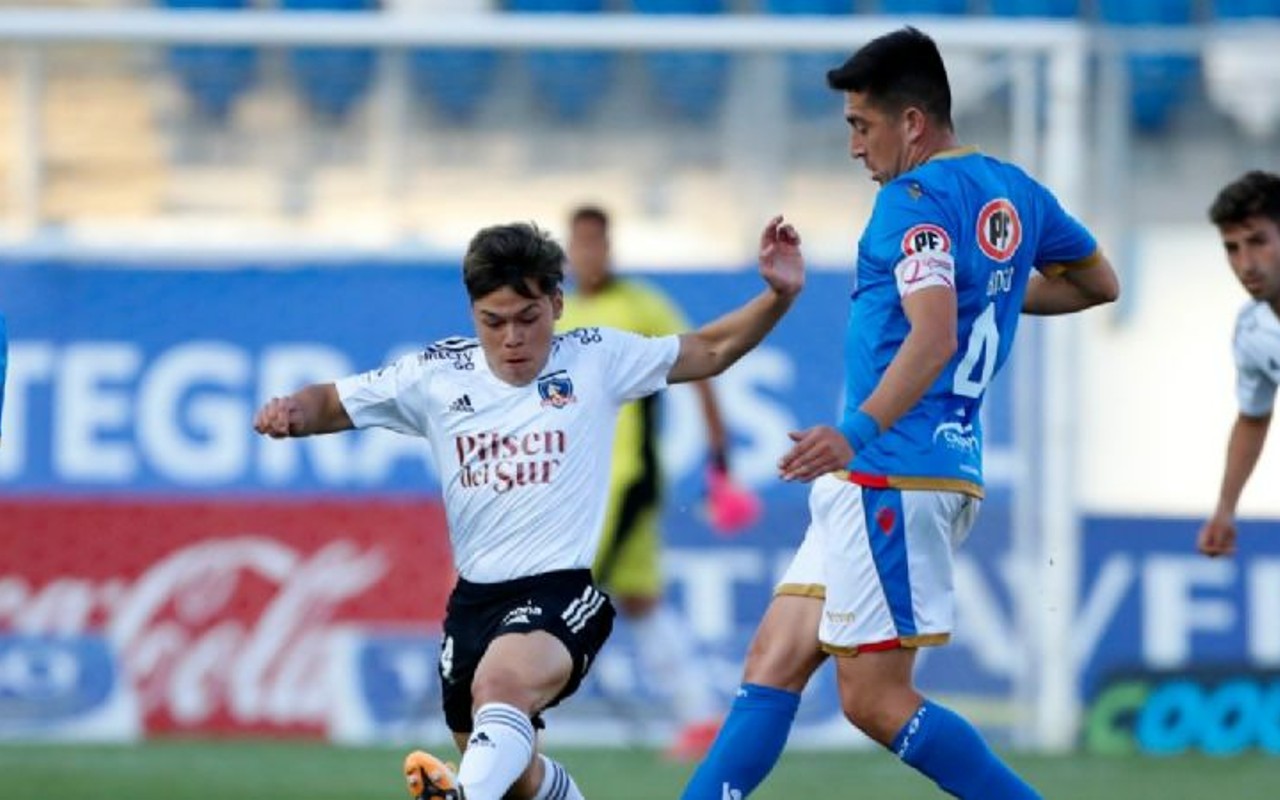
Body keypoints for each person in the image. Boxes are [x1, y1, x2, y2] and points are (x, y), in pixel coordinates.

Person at [679, 27, 1119, 800]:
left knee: (876, 702)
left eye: (861, 124)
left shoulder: (906, 203)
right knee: (774, 660)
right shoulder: (1015, 190)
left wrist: (855, 430)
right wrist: (1001, 289)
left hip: (890, 473)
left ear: (911, 122)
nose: (853, 145)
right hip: (923, 469)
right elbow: (1096, 282)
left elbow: (935, 330)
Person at [253, 218, 804, 800]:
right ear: (473, 316)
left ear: (557, 304)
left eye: (527, 318)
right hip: (473, 605)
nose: (512, 338)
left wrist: (778, 295)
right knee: (519, 780)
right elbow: (334, 402)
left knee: (500, 687)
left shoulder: (597, 358)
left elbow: (710, 350)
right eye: (494, 322)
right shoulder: (436, 376)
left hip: (562, 591)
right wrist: (294, 411)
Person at [559, 204, 754, 759]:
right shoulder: (558, 311)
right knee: (640, 600)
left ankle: (514, 710)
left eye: (596, 243)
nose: (588, 255)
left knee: (563, 587)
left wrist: (719, 460)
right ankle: (700, 717)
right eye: (579, 244)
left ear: (609, 247)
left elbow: (703, 366)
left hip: (625, 479)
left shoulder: (640, 304)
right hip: (574, 481)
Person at [1197, 171, 1280, 558]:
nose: (1245, 263)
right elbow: (1253, 417)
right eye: (1232, 248)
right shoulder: (1253, 329)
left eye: (1258, 242)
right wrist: (1225, 510)